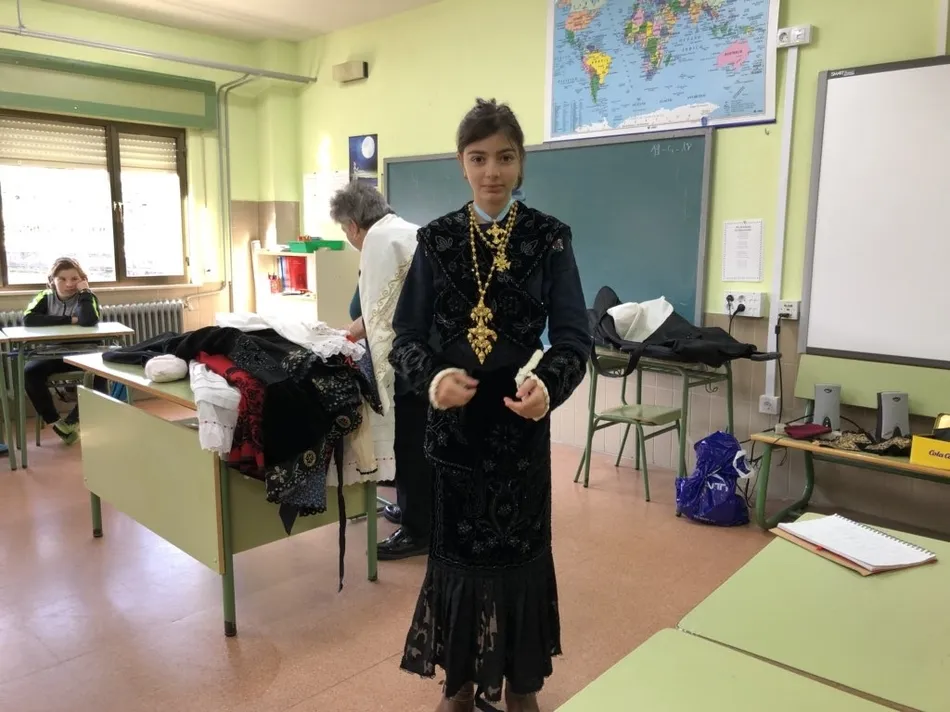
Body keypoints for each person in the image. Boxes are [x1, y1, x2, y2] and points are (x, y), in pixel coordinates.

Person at [389, 99, 591, 711]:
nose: (492, 172)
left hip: (519, 424)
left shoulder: (549, 238)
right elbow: (406, 338)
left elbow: (574, 338)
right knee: (457, 560)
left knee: (518, 557)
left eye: (504, 157)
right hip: (454, 431)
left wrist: (547, 388)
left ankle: (521, 685)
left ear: (521, 162)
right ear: (462, 163)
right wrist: (434, 380)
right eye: (478, 159)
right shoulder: (437, 239)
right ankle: (458, 684)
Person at [329, 181, 432, 560]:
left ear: (353, 225)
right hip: (430, 354)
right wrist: (352, 331)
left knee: (409, 442)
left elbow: (381, 316)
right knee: (419, 440)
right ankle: (412, 508)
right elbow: (383, 308)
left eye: (345, 232)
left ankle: (419, 530)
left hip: (411, 360)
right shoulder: (406, 230)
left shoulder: (377, 242)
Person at [22, 256, 108, 445]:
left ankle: (73, 421)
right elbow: (29, 319)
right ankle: (56, 423)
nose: (69, 284)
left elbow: (89, 320)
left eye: (74, 279)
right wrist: (71, 320)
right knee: (30, 372)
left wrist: (84, 291)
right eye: (62, 279)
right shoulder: (45, 297)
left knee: (100, 374)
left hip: (86, 353)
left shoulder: (88, 296)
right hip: (54, 353)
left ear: (82, 280)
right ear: (52, 281)